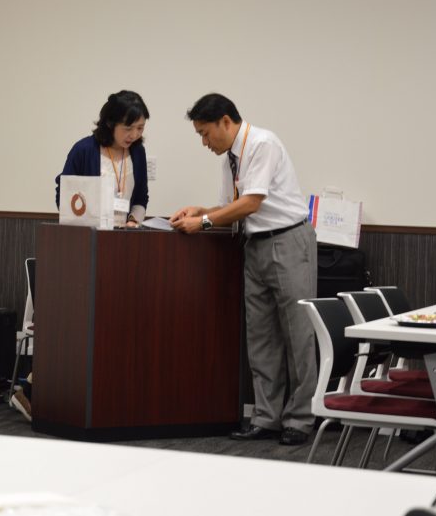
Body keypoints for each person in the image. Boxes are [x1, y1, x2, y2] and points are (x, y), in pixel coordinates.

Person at [169, 93, 317, 446]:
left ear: (225, 120)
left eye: (206, 133)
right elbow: (231, 207)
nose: (205, 142)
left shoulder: (263, 143)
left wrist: (203, 222)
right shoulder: (229, 158)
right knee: (261, 337)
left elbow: (252, 202)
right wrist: (200, 210)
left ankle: (300, 418)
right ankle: (266, 417)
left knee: (298, 336)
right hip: (255, 246)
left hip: (287, 241)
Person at [55, 90, 150, 227]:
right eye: (128, 128)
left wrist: (134, 221)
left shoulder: (137, 152)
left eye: (140, 128)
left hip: (125, 236)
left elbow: (141, 197)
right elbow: (64, 193)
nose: (134, 135)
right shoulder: (83, 150)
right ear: (110, 123)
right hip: (88, 237)